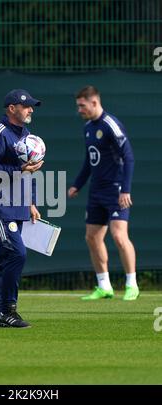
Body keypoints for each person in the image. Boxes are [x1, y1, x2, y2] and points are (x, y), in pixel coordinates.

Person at [68, 85, 139, 301]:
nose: (79, 110)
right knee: (92, 237)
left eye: (82, 106)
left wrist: (125, 190)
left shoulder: (111, 125)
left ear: (94, 102)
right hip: (96, 192)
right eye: (78, 106)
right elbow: (90, 160)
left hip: (116, 191)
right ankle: (104, 285)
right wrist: (77, 185)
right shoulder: (88, 127)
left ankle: (131, 284)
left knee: (118, 236)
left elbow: (129, 158)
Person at [0, 89, 43, 328]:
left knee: (7, 256)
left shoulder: (25, 134)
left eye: (32, 106)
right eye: (26, 106)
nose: (30, 110)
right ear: (11, 109)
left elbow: (27, 173)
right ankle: (7, 310)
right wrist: (21, 170)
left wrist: (31, 202)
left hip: (16, 206)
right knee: (17, 253)